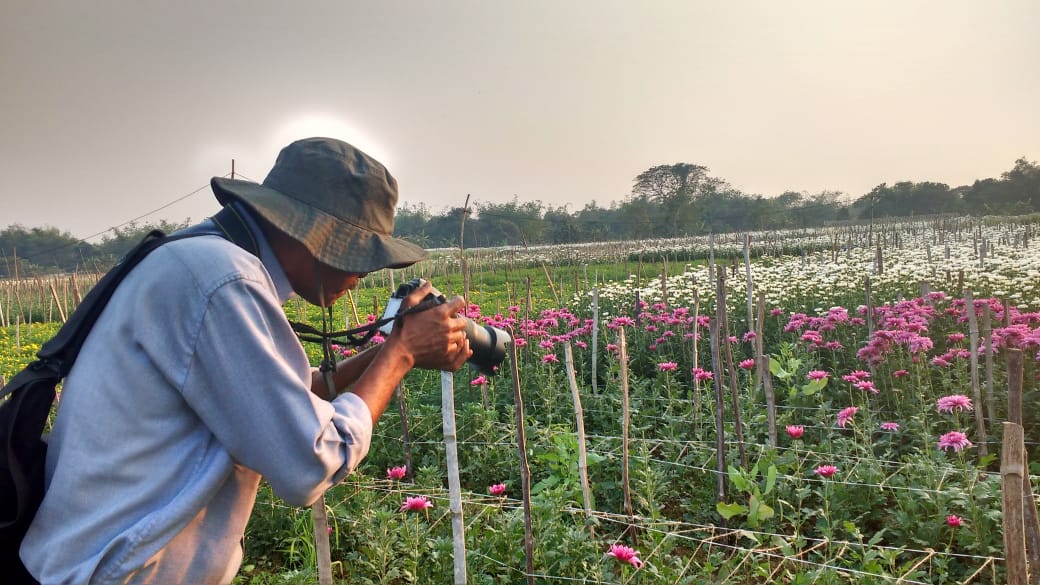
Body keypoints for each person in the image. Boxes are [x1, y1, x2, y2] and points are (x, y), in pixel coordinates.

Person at [20, 137, 472, 583]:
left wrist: (392, 349)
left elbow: (293, 399)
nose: (359, 277)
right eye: (358, 256)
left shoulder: (199, 258)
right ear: (313, 235)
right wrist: (402, 352)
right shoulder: (223, 279)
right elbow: (309, 463)